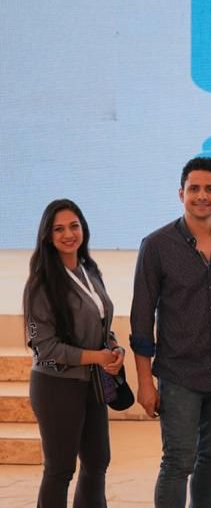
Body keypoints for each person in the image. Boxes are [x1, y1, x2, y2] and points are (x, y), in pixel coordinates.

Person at [129, 157, 211, 508]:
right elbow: (141, 319)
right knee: (178, 461)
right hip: (179, 374)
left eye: (209, 189)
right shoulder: (157, 245)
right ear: (181, 193)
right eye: (194, 188)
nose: (202, 196)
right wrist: (145, 382)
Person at [23, 199, 125, 507]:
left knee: (97, 461)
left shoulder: (89, 270)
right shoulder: (40, 283)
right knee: (60, 469)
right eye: (59, 229)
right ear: (47, 236)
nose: (68, 234)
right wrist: (97, 357)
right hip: (56, 385)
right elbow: (45, 347)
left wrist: (113, 346)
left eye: (74, 226)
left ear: (84, 229)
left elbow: (100, 324)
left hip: (91, 383)